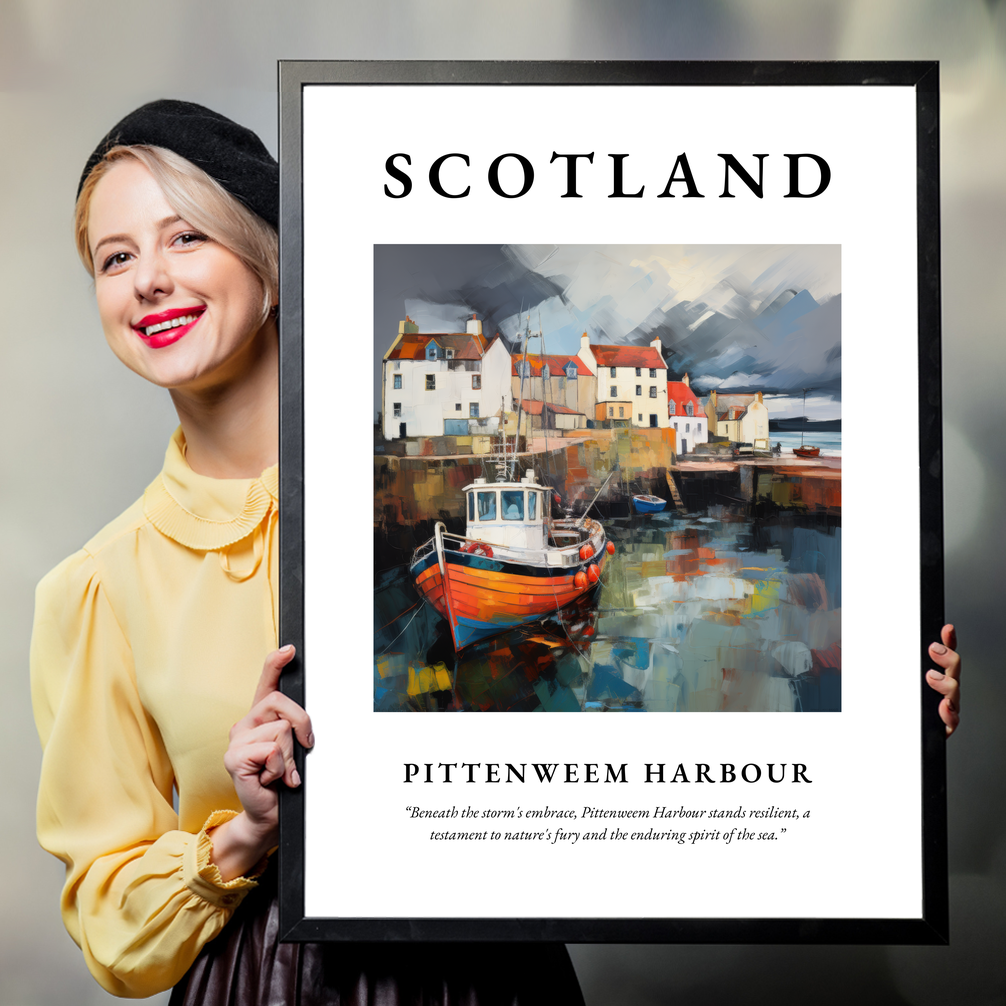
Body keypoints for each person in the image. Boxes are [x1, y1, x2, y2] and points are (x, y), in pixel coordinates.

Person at [30, 100, 584, 1004]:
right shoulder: (98, 587)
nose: (148, 281)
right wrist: (244, 832)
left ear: (273, 264)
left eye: (185, 238)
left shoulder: (424, 499)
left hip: (492, 972)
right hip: (264, 981)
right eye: (115, 257)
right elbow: (110, 923)